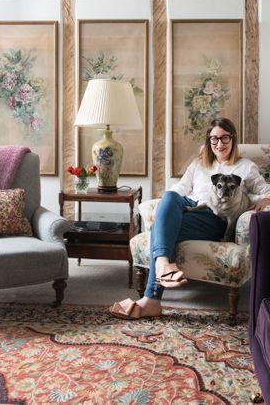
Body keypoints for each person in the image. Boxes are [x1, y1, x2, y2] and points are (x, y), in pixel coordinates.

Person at [109, 117, 270, 319]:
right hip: (188, 207)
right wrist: (160, 207)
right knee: (169, 197)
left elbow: (265, 190)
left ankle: (152, 297)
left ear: (233, 138)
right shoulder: (198, 164)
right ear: (208, 141)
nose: (219, 144)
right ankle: (163, 266)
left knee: (161, 229)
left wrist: (265, 200)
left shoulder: (245, 167)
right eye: (214, 139)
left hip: (214, 217)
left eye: (225, 138)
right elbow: (179, 189)